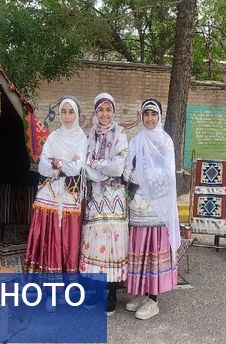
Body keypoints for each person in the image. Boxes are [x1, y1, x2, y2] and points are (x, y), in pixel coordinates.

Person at [24, 97, 88, 310]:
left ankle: (64, 291)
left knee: (66, 243)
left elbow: (76, 168)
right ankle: (47, 290)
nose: (67, 116)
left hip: (69, 198)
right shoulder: (53, 136)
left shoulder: (82, 138)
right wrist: (61, 164)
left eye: (71, 112)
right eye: (64, 112)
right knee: (49, 240)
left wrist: (56, 163)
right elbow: (42, 166)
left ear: (77, 114)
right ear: (60, 114)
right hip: (48, 195)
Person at [123, 98, 180, 320]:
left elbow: (166, 176)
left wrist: (141, 176)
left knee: (153, 250)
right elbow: (127, 170)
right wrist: (136, 175)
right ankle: (141, 292)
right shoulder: (136, 141)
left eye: (153, 114)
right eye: (146, 114)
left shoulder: (165, 142)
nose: (149, 119)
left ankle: (153, 299)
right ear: (141, 116)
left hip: (158, 207)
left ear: (159, 116)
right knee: (140, 249)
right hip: (138, 204)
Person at [80, 93, 129, 316]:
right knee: (96, 244)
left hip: (115, 201)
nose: (105, 114)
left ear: (114, 112)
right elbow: (84, 167)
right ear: (95, 112)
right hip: (95, 199)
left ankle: (112, 294)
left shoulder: (120, 134)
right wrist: (100, 167)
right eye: (101, 110)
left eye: (108, 109)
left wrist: (96, 164)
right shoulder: (90, 135)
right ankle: (97, 290)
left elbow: (118, 168)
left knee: (112, 246)